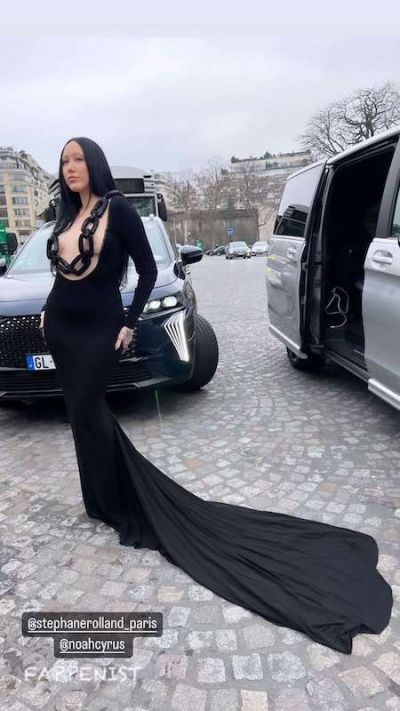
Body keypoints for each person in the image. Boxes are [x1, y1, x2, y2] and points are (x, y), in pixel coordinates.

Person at [40, 136, 392, 655]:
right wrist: (47, 312)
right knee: (79, 416)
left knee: (91, 412)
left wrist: (129, 322)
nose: (70, 168)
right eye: (64, 161)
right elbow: (60, 276)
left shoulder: (120, 211)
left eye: (77, 159)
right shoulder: (65, 216)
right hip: (61, 328)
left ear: (94, 164)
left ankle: (121, 502)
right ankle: (101, 499)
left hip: (99, 330)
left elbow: (147, 271)